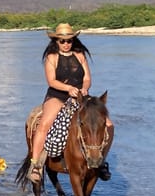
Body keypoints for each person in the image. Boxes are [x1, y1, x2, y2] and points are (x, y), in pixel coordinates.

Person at [28, 23, 113, 183]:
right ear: (56, 41)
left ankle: (101, 160)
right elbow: (52, 81)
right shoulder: (52, 57)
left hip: (81, 97)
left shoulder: (80, 55)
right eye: (62, 41)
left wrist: (85, 88)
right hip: (57, 96)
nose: (66, 44)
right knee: (45, 123)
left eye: (69, 40)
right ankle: (36, 165)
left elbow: (87, 78)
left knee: (108, 124)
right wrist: (69, 88)